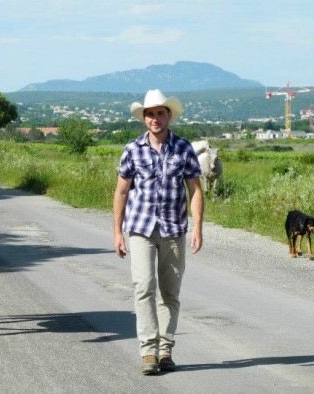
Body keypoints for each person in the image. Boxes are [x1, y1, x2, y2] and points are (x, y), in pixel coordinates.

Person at [113, 89, 204, 375]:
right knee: (143, 288)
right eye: (149, 114)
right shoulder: (132, 149)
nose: (154, 118)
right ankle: (148, 352)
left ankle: (165, 350)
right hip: (140, 228)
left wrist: (197, 226)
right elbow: (121, 191)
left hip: (173, 228)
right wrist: (117, 232)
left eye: (160, 113)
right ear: (143, 118)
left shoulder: (184, 148)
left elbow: (195, 190)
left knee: (170, 293)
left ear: (169, 116)